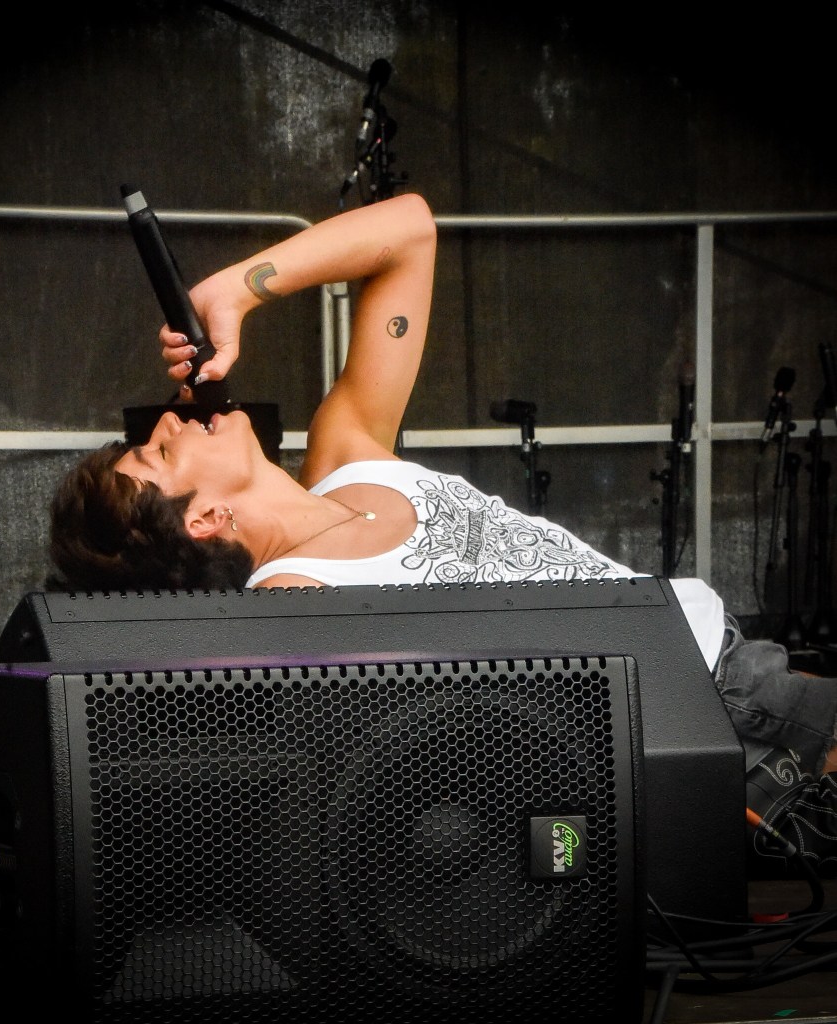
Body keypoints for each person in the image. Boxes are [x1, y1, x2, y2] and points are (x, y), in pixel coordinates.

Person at [50, 192, 837, 875]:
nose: (165, 419)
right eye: (160, 453)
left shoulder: (347, 451)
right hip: (695, 714)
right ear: (205, 518)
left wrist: (237, 292)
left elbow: (410, 231)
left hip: (719, 651)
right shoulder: (293, 605)